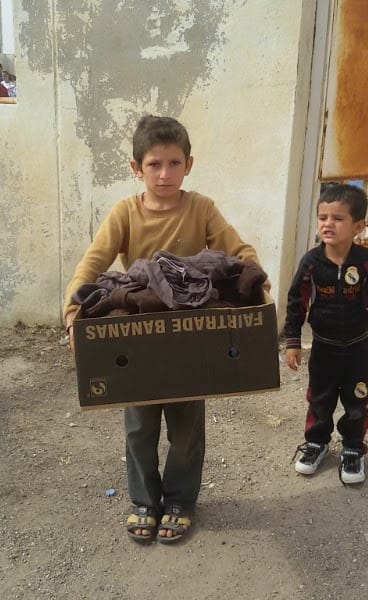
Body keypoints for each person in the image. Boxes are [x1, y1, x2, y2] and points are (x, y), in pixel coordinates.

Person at [62, 115, 265, 544]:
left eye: (174, 163)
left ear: (188, 164)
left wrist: (255, 283)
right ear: (137, 167)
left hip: (191, 337)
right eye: (155, 164)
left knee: (187, 424)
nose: (165, 174)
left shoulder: (202, 208)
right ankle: (143, 500)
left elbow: (239, 251)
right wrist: (71, 317)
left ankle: (180, 500)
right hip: (138, 340)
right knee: (138, 425)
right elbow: (92, 265)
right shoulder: (125, 213)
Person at [284, 183, 368, 485]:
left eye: (337, 218)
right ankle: (316, 443)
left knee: (356, 401)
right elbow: (296, 301)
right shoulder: (311, 263)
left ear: (358, 226)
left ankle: (352, 448)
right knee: (319, 400)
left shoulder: (367, 262)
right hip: (323, 348)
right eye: (322, 217)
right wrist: (293, 343)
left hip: (357, 350)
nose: (327, 224)